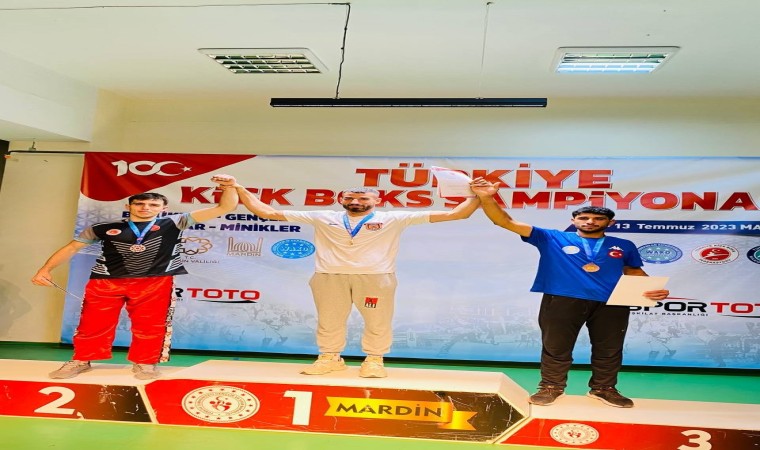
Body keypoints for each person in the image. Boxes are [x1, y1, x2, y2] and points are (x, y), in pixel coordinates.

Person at [229, 177, 481, 378]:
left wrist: (478, 196)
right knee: (329, 320)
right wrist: (238, 188)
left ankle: (374, 360)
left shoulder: (394, 218)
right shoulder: (323, 216)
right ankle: (330, 358)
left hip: (375, 278)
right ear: (341, 200)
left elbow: (456, 214)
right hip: (329, 276)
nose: (355, 201)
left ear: (377, 200)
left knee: (377, 320)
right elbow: (268, 213)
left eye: (363, 198)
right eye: (349, 198)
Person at [471, 178, 669, 408]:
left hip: (612, 302)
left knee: (610, 348)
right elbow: (504, 221)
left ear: (610, 222)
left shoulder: (624, 244)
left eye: (598, 218)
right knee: (556, 346)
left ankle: (604, 388)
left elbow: (633, 270)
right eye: (584, 217)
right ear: (573, 220)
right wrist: (487, 197)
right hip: (562, 299)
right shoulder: (551, 237)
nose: (590, 221)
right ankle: (551, 387)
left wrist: (651, 288)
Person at [31, 180, 239, 380]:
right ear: (128, 206)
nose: (145, 208)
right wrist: (45, 269)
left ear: (164, 208)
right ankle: (81, 360)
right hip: (105, 281)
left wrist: (229, 186)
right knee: (92, 323)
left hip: (154, 282)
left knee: (150, 325)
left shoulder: (175, 222)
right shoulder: (102, 227)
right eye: (139, 203)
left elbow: (225, 207)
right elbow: (72, 248)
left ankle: (146, 363)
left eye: (153, 205)